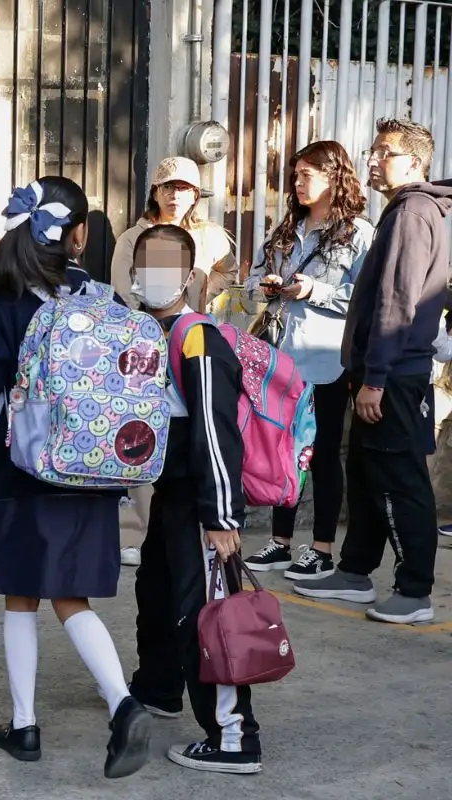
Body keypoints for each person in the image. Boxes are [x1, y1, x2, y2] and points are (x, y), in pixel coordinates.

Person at [0, 176, 152, 779]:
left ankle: (25, 725)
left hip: (23, 472)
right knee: (71, 596)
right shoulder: (101, 300)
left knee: (20, 597)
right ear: (81, 236)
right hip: (92, 473)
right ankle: (122, 703)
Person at [294, 119, 452, 625]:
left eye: (386, 152)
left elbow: (397, 301)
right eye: (375, 150)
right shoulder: (402, 211)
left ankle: (414, 592)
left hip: (396, 375)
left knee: (399, 480)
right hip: (375, 370)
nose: (374, 160)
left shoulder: (413, 212)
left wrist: (377, 378)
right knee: (365, 474)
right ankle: (355, 572)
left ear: (414, 162)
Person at [125, 223, 262, 774]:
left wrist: (221, 516)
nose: (152, 278)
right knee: (156, 592)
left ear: (189, 277)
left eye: (166, 267)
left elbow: (214, 431)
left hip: (201, 503)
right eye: (144, 265)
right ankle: (158, 688)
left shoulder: (199, 336)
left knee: (208, 615)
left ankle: (234, 735)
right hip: (169, 493)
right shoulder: (140, 332)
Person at [243, 141, 374, 580]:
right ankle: (279, 543)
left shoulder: (359, 233)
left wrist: (313, 291)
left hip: (326, 361)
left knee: (320, 455)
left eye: (308, 175)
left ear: (334, 177)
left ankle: (321, 548)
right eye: (296, 175)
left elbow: (366, 298)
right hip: (278, 359)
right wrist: (265, 286)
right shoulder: (284, 230)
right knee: (282, 449)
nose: (298, 184)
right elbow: (250, 284)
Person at [109, 157, 234, 569]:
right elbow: (124, 291)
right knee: (141, 432)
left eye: (184, 188)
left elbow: (230, 276)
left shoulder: (213, 237)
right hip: (145, 344)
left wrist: (210, 288)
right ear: (155, 192)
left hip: (192, 341)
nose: (175, 194)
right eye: (167, 187)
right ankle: (133, 532)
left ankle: (206, 518)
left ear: (196, 195)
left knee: (199, 430)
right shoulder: (134, 237)